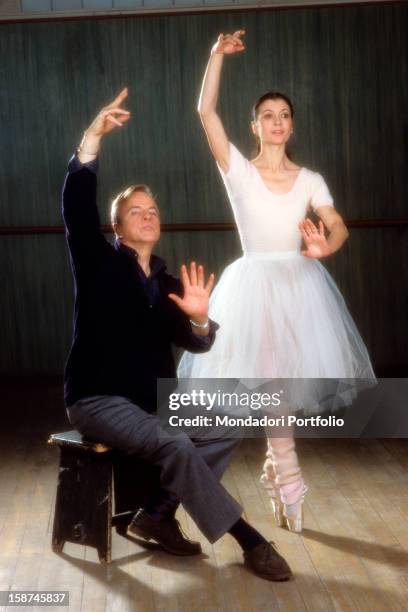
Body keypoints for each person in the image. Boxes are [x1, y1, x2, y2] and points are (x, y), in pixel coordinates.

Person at [61, 88, 293, 581]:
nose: (149, 215)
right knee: (177, 445)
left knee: (229, 420)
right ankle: (249, 540)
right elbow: (76, 205)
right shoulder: (97, 260)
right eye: (136, 211)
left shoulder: (166, 283)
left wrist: (200, 319)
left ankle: (159, 515)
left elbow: (198, 343)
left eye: (153, 210)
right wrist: (92, 137)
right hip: (99, 400)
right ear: (117, 227)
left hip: (151, 401)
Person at [178, 31, 376, 532]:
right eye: (269, 115)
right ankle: (288, 481)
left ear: (292, 126)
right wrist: (215, 56)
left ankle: (278, 474)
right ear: (256, 125)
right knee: (274, 389)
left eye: (285, 115)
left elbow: (337, 223)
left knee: (279, 390)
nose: (278, 122)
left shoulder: (309, 179)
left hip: (300, 288)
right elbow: (205, 112)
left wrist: (324, 247)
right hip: (253, 288)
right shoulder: (238, 171)